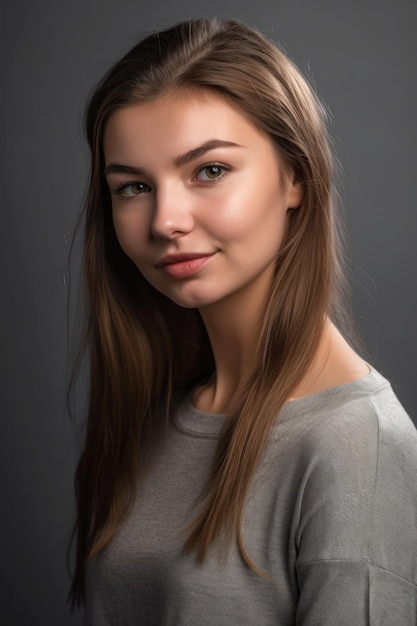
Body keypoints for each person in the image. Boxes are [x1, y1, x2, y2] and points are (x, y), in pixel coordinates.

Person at [69, 17, 417, 625]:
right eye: (132, 187)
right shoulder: (157, 418)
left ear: (296, 176)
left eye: (209, 170)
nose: (165, 221)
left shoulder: (360, 449)